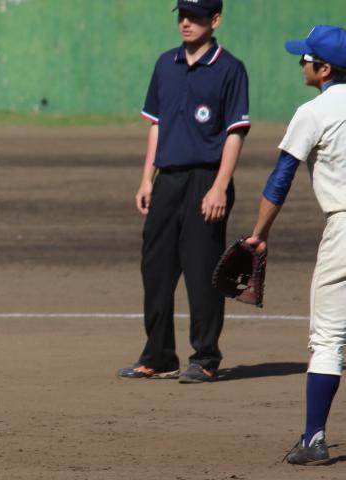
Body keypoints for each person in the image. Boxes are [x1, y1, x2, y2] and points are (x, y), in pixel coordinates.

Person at [117, 0, 250, 383]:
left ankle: (205, 358)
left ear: (215, 20)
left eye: (196, 16)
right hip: (167, 181)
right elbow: (156, 125)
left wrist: (220, 186)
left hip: (206, 181)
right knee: (155, 269)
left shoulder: (230, 68)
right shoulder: (165, 64)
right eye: (182, 15)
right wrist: (147, 178)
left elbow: (235, 133)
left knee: (201, 271)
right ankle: (158, 356)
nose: (186, 22)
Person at [245, 25, 346, 466]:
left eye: (304, 58)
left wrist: (259, 234)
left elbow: (280, 178)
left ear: (324, 69)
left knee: (328, 339)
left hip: (344, 229)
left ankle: (313, 440)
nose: (300, 64)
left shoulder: (314, 111)